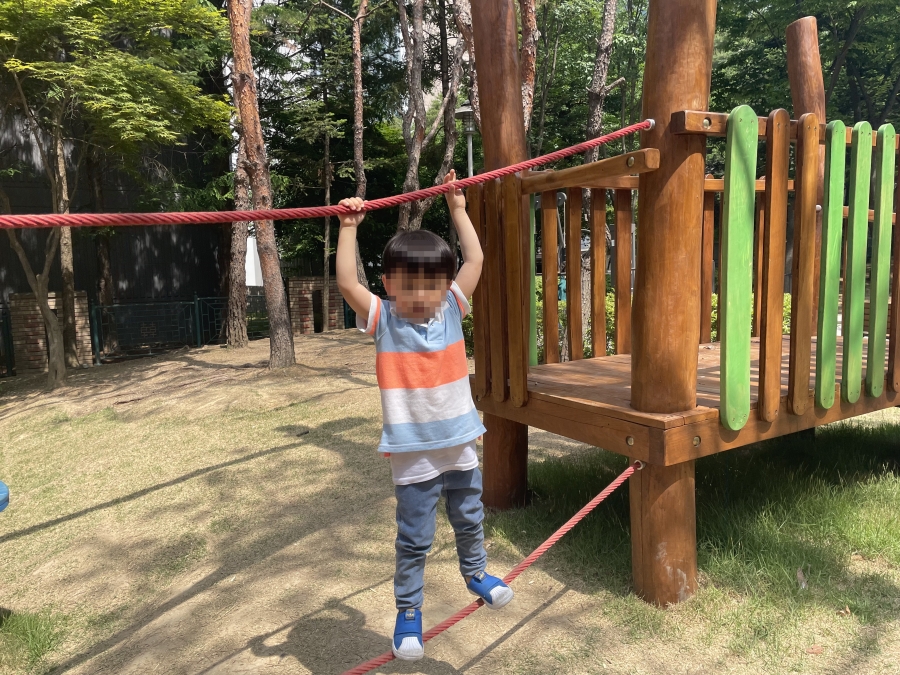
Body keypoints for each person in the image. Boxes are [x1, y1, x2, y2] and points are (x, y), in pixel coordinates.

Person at [336, 170, 514, 661]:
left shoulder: (453, 308)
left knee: (470, 517)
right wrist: (348, 227)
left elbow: (475, 259)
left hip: (460, 443)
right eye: (408, 285)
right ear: (389, 284)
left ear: (444, 285)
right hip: (413, 452)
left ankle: (476, 574)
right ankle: (409, 612)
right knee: (415, 538)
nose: (421, 295)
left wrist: (458, 208)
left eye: (432, 285)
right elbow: (347, 281)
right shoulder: (383, 319)